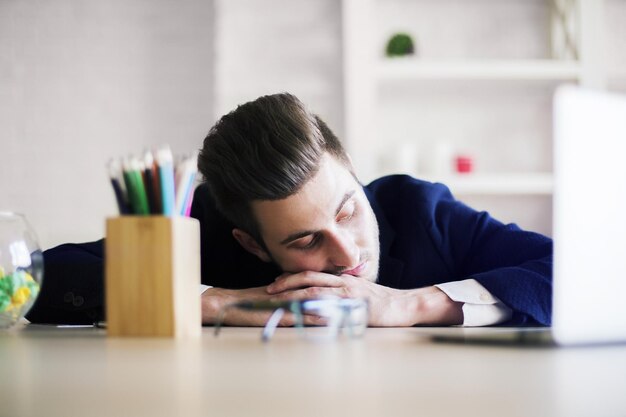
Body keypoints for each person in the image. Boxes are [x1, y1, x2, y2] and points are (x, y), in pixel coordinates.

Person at [27, 93, 552, 327]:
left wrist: (411, 305)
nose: (346, 253)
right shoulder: (201, 225)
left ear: (352, 172)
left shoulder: (420, 209)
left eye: (348, 210)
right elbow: (41, 277)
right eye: (305, 241)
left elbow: (581, 276)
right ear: (251, 243)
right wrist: (217, 304)